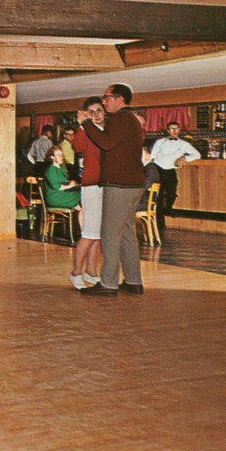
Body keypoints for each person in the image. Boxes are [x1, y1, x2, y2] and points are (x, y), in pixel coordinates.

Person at [79, 83, 146, 296]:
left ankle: (108, 283)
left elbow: (105, 144)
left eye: (107, 98)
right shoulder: (131, 120)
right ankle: (134, 281)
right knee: (126, 232)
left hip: (119, 186)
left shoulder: (120, 119)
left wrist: (87, 124)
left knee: (109, 233)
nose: (104, 101)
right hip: (133, 184)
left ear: (119, 99)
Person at [69, 96, 105, 290]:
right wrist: (82, 126)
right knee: (90, 232)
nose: (96, 114)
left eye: (99, 110)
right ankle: (75, 273)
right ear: (85, 114)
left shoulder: (107, 132)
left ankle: (91, 272)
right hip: (92, 185)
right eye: (91, 111)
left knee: (97, 234)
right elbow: (78, 147)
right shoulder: (87, 131)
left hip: (105, 185)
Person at [148, 121, 200, 228]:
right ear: (167, 131)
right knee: (158, 195)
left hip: (171, 170)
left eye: (176, 129)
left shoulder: (184, 144)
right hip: (158, 169)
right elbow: (152, 157)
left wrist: (184, 158)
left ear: (179, 130)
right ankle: (159, 221)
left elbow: (197, 154)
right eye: (172, 128)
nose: (174, 131)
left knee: (172, 193)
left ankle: (169, 208)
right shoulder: (160, 142)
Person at [43, 145, 81, 210]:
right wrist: (70, 185)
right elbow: (57, 187)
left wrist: (74, 184)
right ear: (52, 157)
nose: (61, 157)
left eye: (61, 155)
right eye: (58, 155)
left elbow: (64, 182)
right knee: (82, 194)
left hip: (62, 195)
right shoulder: (50, 170)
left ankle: (84, 216)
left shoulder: (61, 169)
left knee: (82, 196)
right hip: (55, 197)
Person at [138, 147, 162, 212]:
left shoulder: (151, 168)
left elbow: (146, 185)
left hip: (145, 203)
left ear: (148, 156)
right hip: (144, 202)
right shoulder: (148, 168)